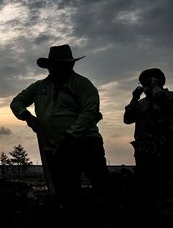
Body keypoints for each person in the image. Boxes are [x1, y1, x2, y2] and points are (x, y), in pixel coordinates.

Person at [10, 44, 111, 198]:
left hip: (86, 144)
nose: (57, 68)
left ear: (70, 65)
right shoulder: (39, 86)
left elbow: (88, 114)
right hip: (55, 147)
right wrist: (28, 117)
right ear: (50, 66)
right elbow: (17, 102)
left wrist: (69, 136)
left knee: (102, 186)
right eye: (54, 65)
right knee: (66, 191)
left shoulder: (82, 84)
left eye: (62, 65)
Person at [123, 68, 173, 201]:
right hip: (144, 153)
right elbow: (127, 119)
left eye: (147, 83)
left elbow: (168, 107)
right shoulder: (141, 104)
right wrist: (134, 98)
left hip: (166, 152)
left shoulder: (170, 97)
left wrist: (156, 88)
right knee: (146, 190)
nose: (145, 87)